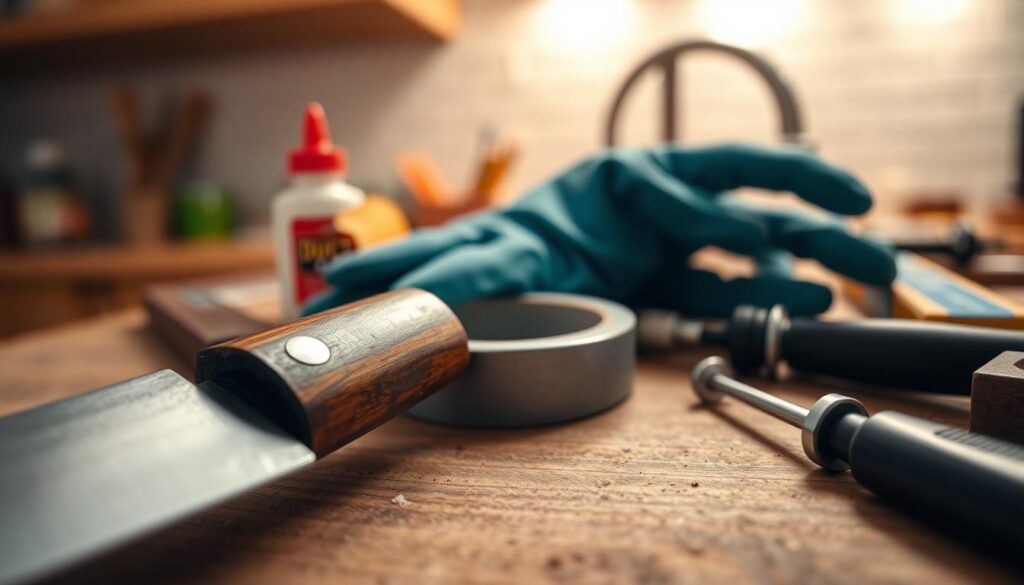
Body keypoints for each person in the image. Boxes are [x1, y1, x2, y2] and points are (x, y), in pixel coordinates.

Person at [304, 143, 896, 318]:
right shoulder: (630, 179)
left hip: (636, 285)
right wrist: (550, 225)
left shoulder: (682, 239)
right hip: (539, 242)